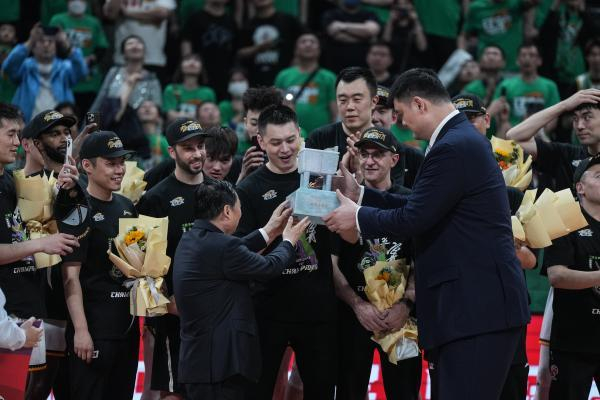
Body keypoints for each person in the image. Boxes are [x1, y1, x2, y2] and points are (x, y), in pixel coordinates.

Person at [323, 68, 530, 399]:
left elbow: (414, 217)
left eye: (401, 114)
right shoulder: (459, 140)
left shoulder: (453, 146)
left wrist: (357, 216)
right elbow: (421, 206)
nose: (402, 124)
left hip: (476, 309)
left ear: (419, 104)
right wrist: (360, 194)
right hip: (472, 309)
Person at [174, 180, 309, 400]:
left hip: (200, 362)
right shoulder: (223, 247)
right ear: (227, 211)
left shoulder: (191, 238)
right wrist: (288, 241)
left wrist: (269, 231)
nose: (241, 213)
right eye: (239, 208)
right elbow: (269, 267)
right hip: (221, 366)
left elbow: (235, 252)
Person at [236, 105, 337, 399]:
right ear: (260, 141)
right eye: (276, 142)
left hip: (317, 309)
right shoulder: (248, 189)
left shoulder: (318, 177)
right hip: (268, 310)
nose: (285, 149)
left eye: (291, 140)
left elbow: (341, 237)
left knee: (321, 391)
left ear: (300, 135)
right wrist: (274, 231)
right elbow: (241, 254)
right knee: (258, 392)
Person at [452, 93, 537, 400]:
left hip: (506, 305)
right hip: (460, 305)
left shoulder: (513, 192)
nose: (466, 125)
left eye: (472, 118)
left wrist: (499, 243)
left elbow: (530, 260)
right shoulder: (441, 180)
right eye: (459, 120)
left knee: (509, 387)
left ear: (486, 121)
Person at [334, 126, 421, 400]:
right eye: (364, 154)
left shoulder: (410, 201)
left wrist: (405, 305)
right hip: (354, 316)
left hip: (401, 319)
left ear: (394, 160)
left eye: (378, 155)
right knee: (349, 393)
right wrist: (358, 306)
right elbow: (331, 263)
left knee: (405, 393)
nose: (370, 161)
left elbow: (423, 260)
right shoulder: (342, 200)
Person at [0, 103, 79, 397]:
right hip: (7, 313)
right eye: (10, 134)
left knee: (31, 392)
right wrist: (41, 244)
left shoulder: (11, 182)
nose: (15, 141)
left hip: (30, 307)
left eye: (17, 134)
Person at [60, 131, 140, 400]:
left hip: (126, 328)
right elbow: (70, 277)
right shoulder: (78, 209)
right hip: (93, 329)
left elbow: (135, 265)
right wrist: (81, 330)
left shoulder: (127, 206)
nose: (119, 170)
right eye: (111, 163)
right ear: (87, 165)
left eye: (122, 162)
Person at [135, 118, 211, 399]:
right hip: (173, 317)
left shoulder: (221, 191)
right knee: (173, 392)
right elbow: (138, 265)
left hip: (216, 313)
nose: (197, 153)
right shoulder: (154, 199)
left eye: (200, 146)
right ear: (172, 152)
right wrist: (165, 305)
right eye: (188, 148)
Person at [544, 153, 600, 399]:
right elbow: (557, 276)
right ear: (580, 188)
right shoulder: (564, 220)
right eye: (599, 176)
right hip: (573, 342)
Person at [307, 67, 419, 187]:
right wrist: (340, 173)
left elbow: (393, 195)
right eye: (343, 100)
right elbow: (306, 187)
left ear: (374, 101)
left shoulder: (391, 144)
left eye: (357, 99)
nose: (350, 107)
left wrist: (360, 173)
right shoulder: (319, 138)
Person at [506, 88, 600, 190]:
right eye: (575, 119)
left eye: (587, 118)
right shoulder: (567, 154)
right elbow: (513, 138)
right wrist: (564, 105)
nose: (579, 126)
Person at [1, 23, 87, 122]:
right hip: (29, 125)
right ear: (33, 47)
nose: (46, 45)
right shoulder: (25, 67)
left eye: (50, 41)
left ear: (56, 47)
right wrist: (30, 41)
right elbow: (8, 67)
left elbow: (82, 71)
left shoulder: (65, 67)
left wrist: (65, 43)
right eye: (41, 41)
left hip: (60, 125)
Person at [49, 0, 109, 113]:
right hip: (65, 79)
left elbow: (102, 46)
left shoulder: (94, 22)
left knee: (91, 116)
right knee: (66, 117)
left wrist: (91, 59)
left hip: (90, 81)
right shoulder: (58, 20)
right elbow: (52, 45)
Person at [274, 32, 337, 134]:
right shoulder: (283, 76)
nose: (308, 44)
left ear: (319, 50)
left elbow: (335, 112)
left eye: (312, 42)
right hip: (289, 135)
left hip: (322, 136)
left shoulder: (329, 77)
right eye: (303, 42)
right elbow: (275, 107)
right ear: (296, 50)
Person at [103, 0, 176, 81]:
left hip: (153, 58)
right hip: (123, 59)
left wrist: (128, 14)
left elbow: (162, 13)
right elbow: (110, 14)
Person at [492, 43, 561, 127]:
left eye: (532, 55)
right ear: (517, 61)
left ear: (539, 61)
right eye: (523, 55)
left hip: (539, 131)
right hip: (512, 132)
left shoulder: (550, 86)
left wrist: (543, 132)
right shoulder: (505, 85)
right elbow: (497, 113)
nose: (527, 59)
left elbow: (554, 115)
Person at [181, 0, 238, 100]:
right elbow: (186, 50)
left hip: (225, 77)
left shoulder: (231, 21)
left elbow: (236, 52)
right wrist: (190, 72)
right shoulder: (195, 19)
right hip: (201, 76)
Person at [237, 0, 302, 86]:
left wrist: (297, 59)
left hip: (286, 80)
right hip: (256, 82)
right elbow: (239, 53)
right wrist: (258, 48)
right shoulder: (248, 26)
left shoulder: (288, 20)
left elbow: (306, 38)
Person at [371, 85, 424, 188]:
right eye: (371, 110)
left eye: (382, 111)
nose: (374, 118)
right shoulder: (348, 150)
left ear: (394, 117)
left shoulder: (414, 158)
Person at [321, 0, 381, 73]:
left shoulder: (369, 14)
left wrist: (342, 26)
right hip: (334, 65)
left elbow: (371, 31)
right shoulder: (331, 14)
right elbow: (334, 33)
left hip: (362, 67)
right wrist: (365, 37)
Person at [163, 54, 217, 124]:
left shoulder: (208, 92)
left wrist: (181, 116)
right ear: (181, 66)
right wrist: (197, 117)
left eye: (196, 60)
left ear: (201, 68)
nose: (192, 62)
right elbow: (170, 116)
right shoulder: (171, 89)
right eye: (187, 59)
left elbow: (212, 117)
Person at [381, 0, 427, 72]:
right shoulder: (390, 24)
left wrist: (415, 20)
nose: (402, 6)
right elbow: (385, 41)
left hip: (413, 67)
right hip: (392, 66)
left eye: (406, 3)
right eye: (398, 4)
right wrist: (390, 20)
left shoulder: (416, 24)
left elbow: (422, 47)